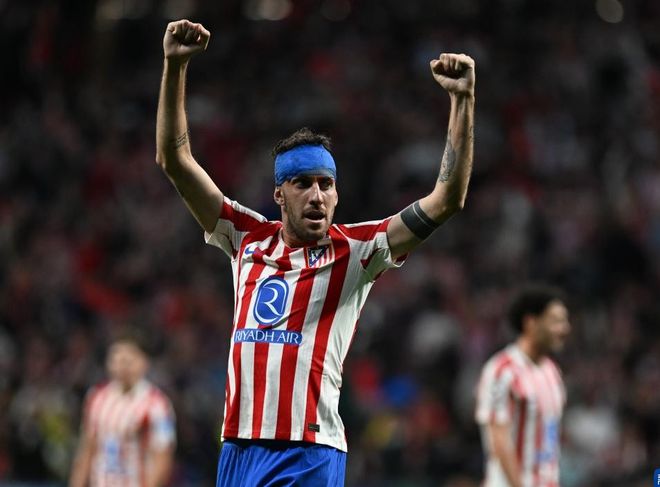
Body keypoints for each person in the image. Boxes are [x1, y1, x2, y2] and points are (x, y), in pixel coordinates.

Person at [155, 18, 475, 486]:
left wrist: (462, 101)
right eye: (303, 184)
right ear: (279, 193)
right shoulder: (246, 237)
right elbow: (174, 160)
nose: (317, 196)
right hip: (239, 448)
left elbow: (447, 199)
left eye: (326, 185)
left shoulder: (356, 251)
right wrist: (175, 66)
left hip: (308, 452)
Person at [475, 284, 571, 487]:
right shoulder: (502, 370)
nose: (564, 329)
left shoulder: (551, 371)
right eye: (555, 321)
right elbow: (499, 439)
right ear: (531, 323)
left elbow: (550, 434)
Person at [69, 335, 176, 487]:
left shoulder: (157, 404)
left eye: (128, 360)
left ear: (144, 363)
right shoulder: (96, 397)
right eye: (117, 359)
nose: (122, 366)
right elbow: (87, 447)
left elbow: (163, 457)